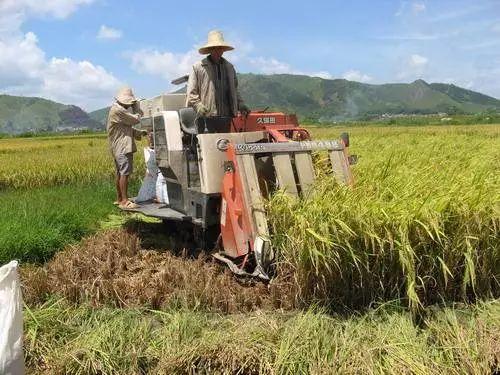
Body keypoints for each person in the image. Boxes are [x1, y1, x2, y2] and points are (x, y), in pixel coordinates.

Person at [186, 30, 250, 118]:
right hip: (206, 118)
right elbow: (191, 93)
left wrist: (241, 104)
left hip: (227, 117)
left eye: (219, 48)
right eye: (214, 48)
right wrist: (198, 105)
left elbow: (234, 90)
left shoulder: (230, 68)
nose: (217, 51)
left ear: (223, 50)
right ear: (209, 50)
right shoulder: (198, 67)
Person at [106, 86, 145, 209]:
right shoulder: (118, 111)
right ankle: (124, 201)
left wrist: (140, 133)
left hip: (118, 147)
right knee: (125, 174)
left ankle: (119, 198)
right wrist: (137, 108)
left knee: (120, 173)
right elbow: (136, 120)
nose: (130, 105)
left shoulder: (117, 110)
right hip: (123, 148)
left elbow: (126, 128)